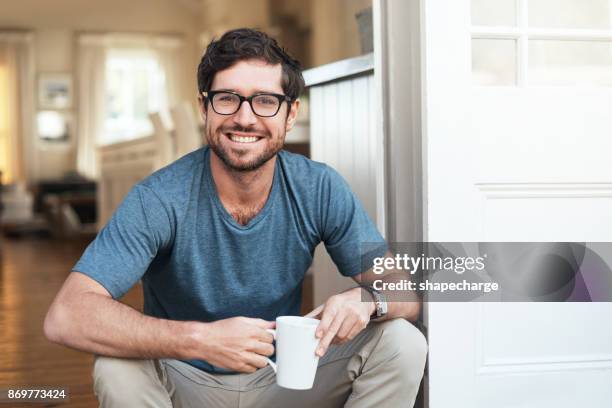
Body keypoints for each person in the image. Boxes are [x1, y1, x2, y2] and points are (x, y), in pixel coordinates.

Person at [44, 28, 427, 408]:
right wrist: (201, 339)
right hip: (182, 383)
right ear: (204, 107)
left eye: (265, 101)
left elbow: (405, 292)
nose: (245, 119)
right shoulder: (157, 198)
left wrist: (366, 300)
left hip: (283, 381)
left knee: (402, 342)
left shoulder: (319, 187)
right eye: (227, 99)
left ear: (290, 113)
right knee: (114, 364)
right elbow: (66, 315)